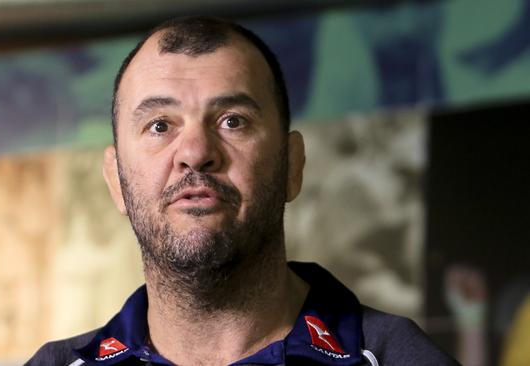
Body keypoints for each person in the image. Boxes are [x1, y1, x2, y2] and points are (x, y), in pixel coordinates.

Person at [24, 16, 457, 366]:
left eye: (233, 120)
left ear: (292, 165)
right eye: (159, 126)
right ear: (116, 180)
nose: (195, 153)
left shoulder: (397, 356)